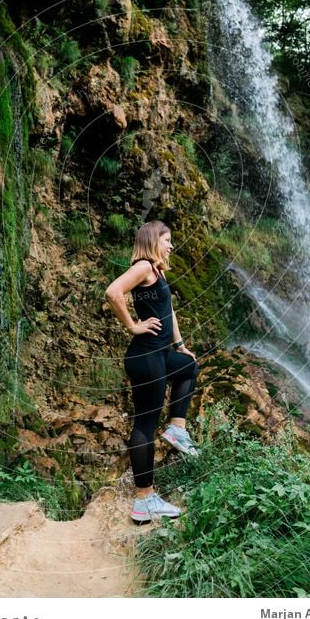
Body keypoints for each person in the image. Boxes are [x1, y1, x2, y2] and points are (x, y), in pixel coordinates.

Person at [105, 220, 199, 525]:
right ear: (152, 241)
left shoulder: (156, 272)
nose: (171, 245)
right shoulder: (143, 266)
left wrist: (180, 344)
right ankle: (144, 499)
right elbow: (113, 292)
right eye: (167, 240)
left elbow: (167, 311)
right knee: (144, 424)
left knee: (188, 366)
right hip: (145, 357)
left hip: (158, 354)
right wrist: (133, 326)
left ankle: (176, 429)